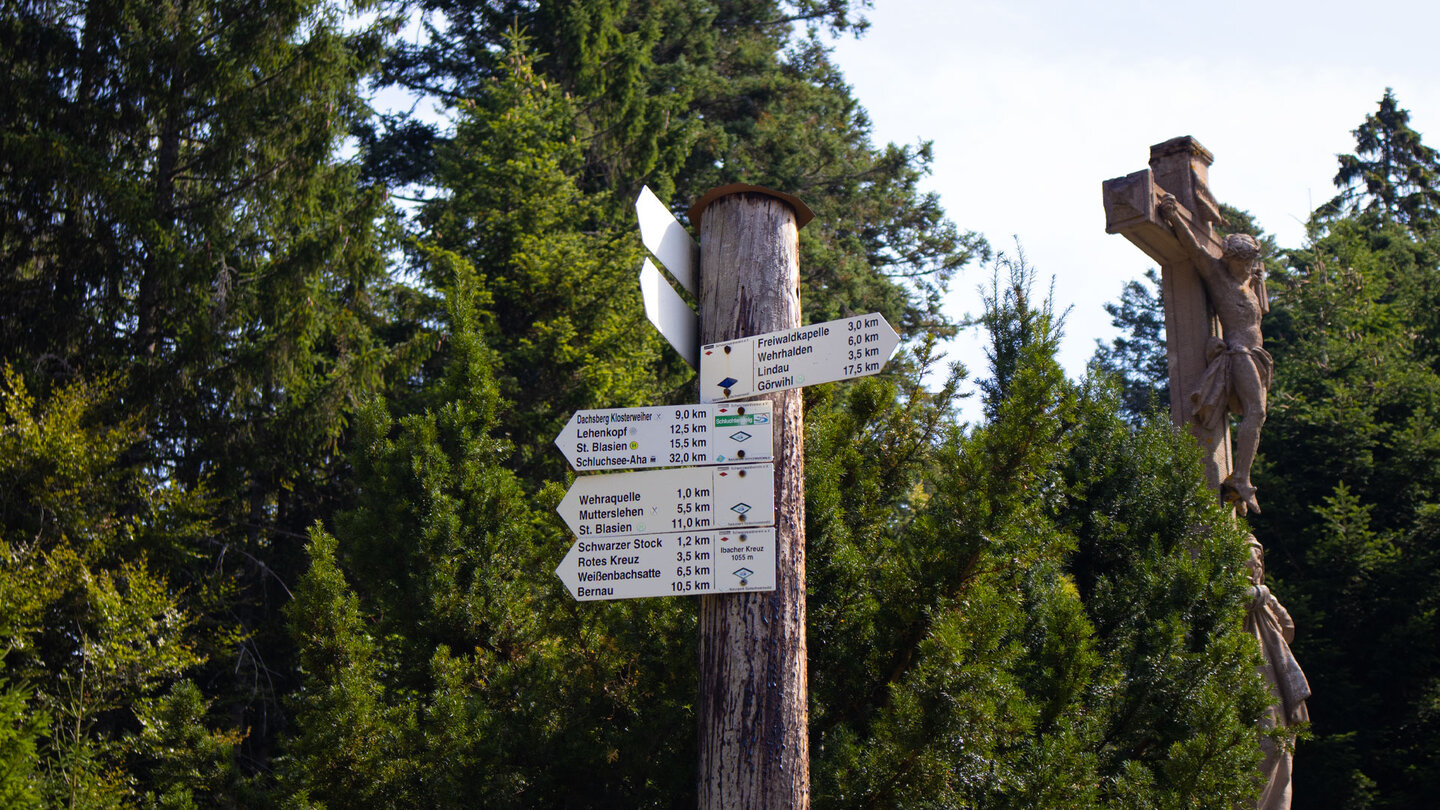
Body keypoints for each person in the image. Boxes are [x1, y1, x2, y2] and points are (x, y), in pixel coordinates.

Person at [1159, 193, 1271, 514]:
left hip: (1257, 355)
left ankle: (1240, 477)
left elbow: (1258, 296)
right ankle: (1241, 479)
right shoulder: (1218, 276)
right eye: (1242, 261)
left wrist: (1257, 279)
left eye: (1249, 261)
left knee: (1258, 414)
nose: (1246, 266)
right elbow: (1195, 249)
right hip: (1239, 353)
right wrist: (1173, 215)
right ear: (1229, 258)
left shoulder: (1247, 281)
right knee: (1256, 412)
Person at [1244, 536, 1310, 810]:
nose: (1255, 566)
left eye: (1258, 562)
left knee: (1278, 748)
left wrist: (1264, 595)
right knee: (1266, 745)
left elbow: (1288, 628)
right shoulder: (1255, 595)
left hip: (1270, 674)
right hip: (1250, 673)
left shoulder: (1263, 598)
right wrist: (1261, 594)